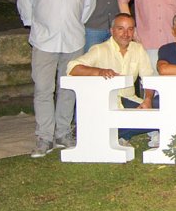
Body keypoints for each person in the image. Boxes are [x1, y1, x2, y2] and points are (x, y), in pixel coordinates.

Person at [17, 0, 96, 158]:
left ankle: (62, 133)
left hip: (73, 40)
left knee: (68, 89)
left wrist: (73, 23)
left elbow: (88, 4)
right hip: (44, 40)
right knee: (43, 90)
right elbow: (25, 0)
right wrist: (35, 25)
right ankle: (44, 137)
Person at [67, 13, 158, 147]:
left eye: (130, 29)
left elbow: (148, 78)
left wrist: (148, 99)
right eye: (120, 29)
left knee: (166, 104)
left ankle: (122, 133)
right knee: (155, 117)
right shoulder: (100, 49)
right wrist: (99, 72)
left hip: (131, 101)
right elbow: (72, 68)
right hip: (109, 103)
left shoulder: (137, 49)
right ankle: (127, 130)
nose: (126, 34)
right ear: (112, 30)